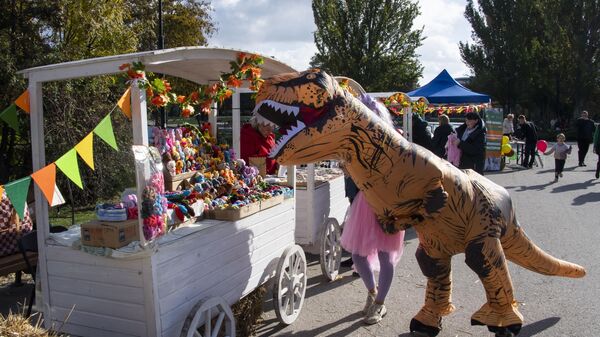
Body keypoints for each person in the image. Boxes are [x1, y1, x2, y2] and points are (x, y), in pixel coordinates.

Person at [340, 93, 405, 325]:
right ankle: (372, 292)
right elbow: (351, 173)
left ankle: (380, 304)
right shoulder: (355, 142)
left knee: (386, 254)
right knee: (358, 255)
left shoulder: (394, 141)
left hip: (388, 203)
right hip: (365, 202)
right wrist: (348, 165)